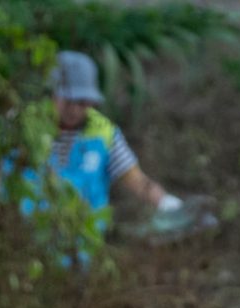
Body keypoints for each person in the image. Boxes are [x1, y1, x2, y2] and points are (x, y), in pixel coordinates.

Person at [29, 50, 187, 234]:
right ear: (53, 94)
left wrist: (165, 202)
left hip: (84, 242)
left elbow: (135, 180)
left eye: (82, 102)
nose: (73, 109)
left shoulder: (104, 132)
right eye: (68, 101)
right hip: (27, 237)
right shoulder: (26, 125)